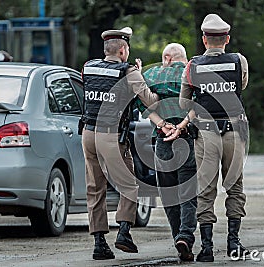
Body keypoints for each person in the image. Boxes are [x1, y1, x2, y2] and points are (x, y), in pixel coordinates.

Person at [166, 14, 250, 262]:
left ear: (204, 39)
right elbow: (241, 86)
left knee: (205, 190)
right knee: (235, 186)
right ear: (227, 38)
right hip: (235, 131)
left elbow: (183, 103)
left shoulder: (193, 66)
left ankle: (207, 248)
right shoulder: (239, 61)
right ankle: (234, 243)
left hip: (206, 133)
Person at [81, 26, 159, 260]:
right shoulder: (128, 71)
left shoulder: (88, 67)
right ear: (123, 50)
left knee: (95, 188)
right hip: (111, 136)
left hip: (88, 133)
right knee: (129, 185)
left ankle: (99, 243)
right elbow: (151, 100)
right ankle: (124, 232)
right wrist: (139, 73)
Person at [135, 43, 197, 261]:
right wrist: (181, 125)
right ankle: (186, 236)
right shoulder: (192, 71)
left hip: (162, 141)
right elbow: (199, 104)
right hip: (188, 138)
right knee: (188, 193)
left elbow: (140, 102)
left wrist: (161, 124)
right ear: (179, 58)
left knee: (169, 196)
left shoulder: (152, 74)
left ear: (167, 58)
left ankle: (178, 239)